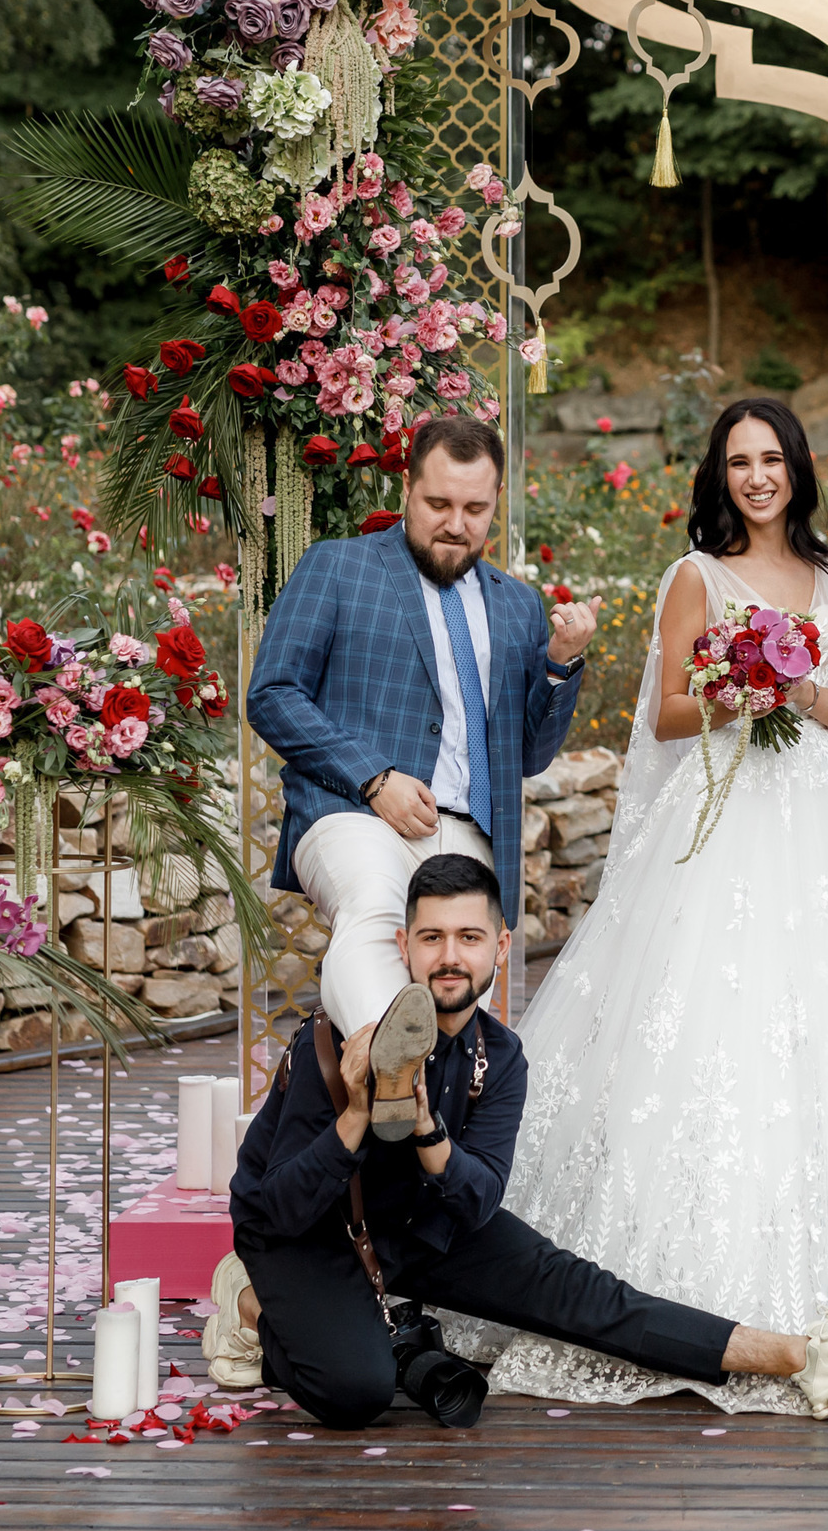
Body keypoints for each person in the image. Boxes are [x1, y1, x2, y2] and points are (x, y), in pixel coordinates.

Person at [457, 397, 828, 1412]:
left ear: (797, 466)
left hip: (821, 821)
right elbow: (665, 708)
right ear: (722, 474)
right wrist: (731, 682)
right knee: (705, 1020)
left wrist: (789, 687)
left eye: (773, 458)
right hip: (719, 812)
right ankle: (678, 1299)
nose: (758, 475)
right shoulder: (693, 576)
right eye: (740, 461)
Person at [204, 855, 828, 1424]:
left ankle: (802, 1356)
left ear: (500, 948)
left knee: (591, 1296)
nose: (450, 957)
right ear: (405, 947)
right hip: (312, 1236)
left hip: (426, 1229)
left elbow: (478, 1200)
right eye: (432, 938)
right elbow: (272, 1212)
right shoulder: (330, 1048)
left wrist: (426, 1128)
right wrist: (356, 1115)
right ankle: (250, 1303)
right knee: (359, 1391)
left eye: (469, 938)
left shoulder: (499, 1057)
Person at [247, 414, 595, 1137]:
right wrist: (374, 776)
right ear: (407, 489)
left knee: (462, 961)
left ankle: (422, 1137)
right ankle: (390, 1066)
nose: (455, 525)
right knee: (377, 912)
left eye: (475, 510)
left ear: (496, 503)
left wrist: (561, 663)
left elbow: (529, 753)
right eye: (439, 505)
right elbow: (272, 693)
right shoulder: (337, 567)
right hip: (352, 813)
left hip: (465, 832)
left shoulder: (518, 605)